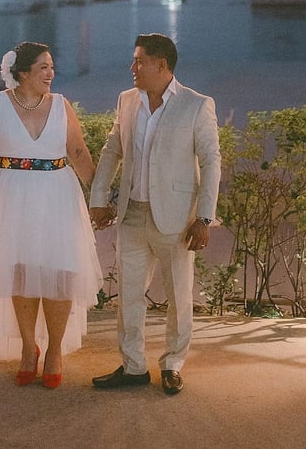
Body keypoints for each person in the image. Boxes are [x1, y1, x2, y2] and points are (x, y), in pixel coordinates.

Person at [0, 41, 102, 389]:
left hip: (57, 196)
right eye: (43, 67)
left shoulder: (61, 106)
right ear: (22, 73)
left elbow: (77, 151)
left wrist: (102, 197)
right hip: (11, 198)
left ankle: (55, 352)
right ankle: (29, 349)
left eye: (52, 66)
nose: (51, 73)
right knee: (22, 275)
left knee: (60, 274)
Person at [89, 32, 221, 396]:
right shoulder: (127, 100)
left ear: (160, 65)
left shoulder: (196, 104)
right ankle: (133, 367)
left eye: (139, 61)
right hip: (132, 214)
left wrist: (204, 217)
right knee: (128, 295)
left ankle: (173, 364)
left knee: (180, 295)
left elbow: (211, 162)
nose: (132, 68)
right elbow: (111, 150)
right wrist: (98, 197)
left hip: (178, 219)